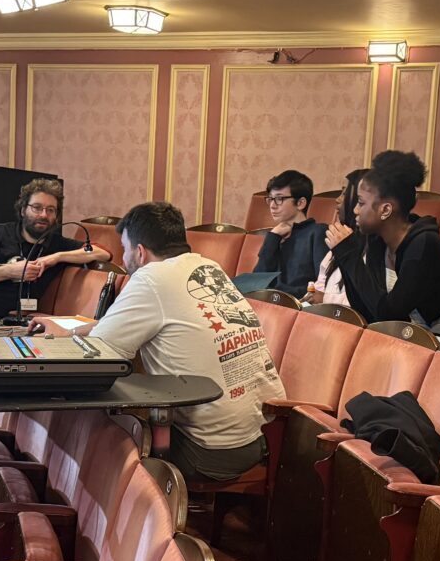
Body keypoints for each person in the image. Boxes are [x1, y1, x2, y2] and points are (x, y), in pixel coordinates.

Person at [43, 201, 284, 482]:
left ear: (140, 252)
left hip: (209, 450)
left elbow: (99, 354)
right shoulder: (208, 267)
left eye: (124, 250)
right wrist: (71, 330)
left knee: (100, 426)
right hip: (259, 439)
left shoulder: (150, 278)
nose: (123, 260)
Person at [326, 150, 440, 333]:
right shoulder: (378, 240)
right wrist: (342, 255)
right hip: (416, 332)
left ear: (385, 210)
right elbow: (367, 309)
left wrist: (348, 255)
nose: (355, 210)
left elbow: (389, 314)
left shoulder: (424, 245)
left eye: (361, 203)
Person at [0, 178, 109, 318]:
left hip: (2, 323)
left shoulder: (57, 245)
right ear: (22, 210)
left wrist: (56, 257)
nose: (43, 215)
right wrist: (10, 271)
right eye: (37, 207)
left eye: (50, 210)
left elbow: (103, 253)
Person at [254, 169, 329, 298]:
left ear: (300, 203)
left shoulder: (318, 232)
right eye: (270, 199)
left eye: (279, 199)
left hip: (300, 308)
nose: (272, 205)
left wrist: (277, 292)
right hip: (271, 305)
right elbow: (256, 282)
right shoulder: (275, 235)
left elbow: (321, 286)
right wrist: (272, 238)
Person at [305, 168, 367, 306]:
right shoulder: (339, 239)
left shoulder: (374, 247)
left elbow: (369, 301)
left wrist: (326, 299)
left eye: (345, 193)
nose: (337, 199)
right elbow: (319, 286)